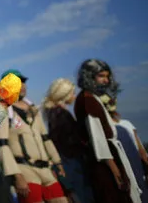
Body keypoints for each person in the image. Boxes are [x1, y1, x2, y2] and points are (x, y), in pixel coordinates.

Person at [0, 69, 68, 203]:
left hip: (46, 168)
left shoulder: (33, 109)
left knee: (61, 200)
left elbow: (45, 138)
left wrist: (57, 162)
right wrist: (17, 176)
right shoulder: (2, 110)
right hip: (24, 170)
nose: (22, 86)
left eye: (23, 82)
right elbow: (2, 146)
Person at [74, 59, 141, 203]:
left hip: (111, 156)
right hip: (104, 163)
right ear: (90, 76)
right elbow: (98, 140)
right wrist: (115, 170)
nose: (106, 80)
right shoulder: (87, 100)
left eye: (107, 76)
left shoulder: (92, 98)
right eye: (101, 76)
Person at [43, 78, 94, 203]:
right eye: (72, 93)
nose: (74, 96)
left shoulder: (53, 113)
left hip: (67, 161)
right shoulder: (61, 114)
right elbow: (67, 140)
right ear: (64, 95)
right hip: (71, 163)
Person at [112, 110, 148, 202]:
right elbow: (140, 148)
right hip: (134, 162)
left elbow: (140, 147)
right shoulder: (126, 123)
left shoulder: (124, 124)